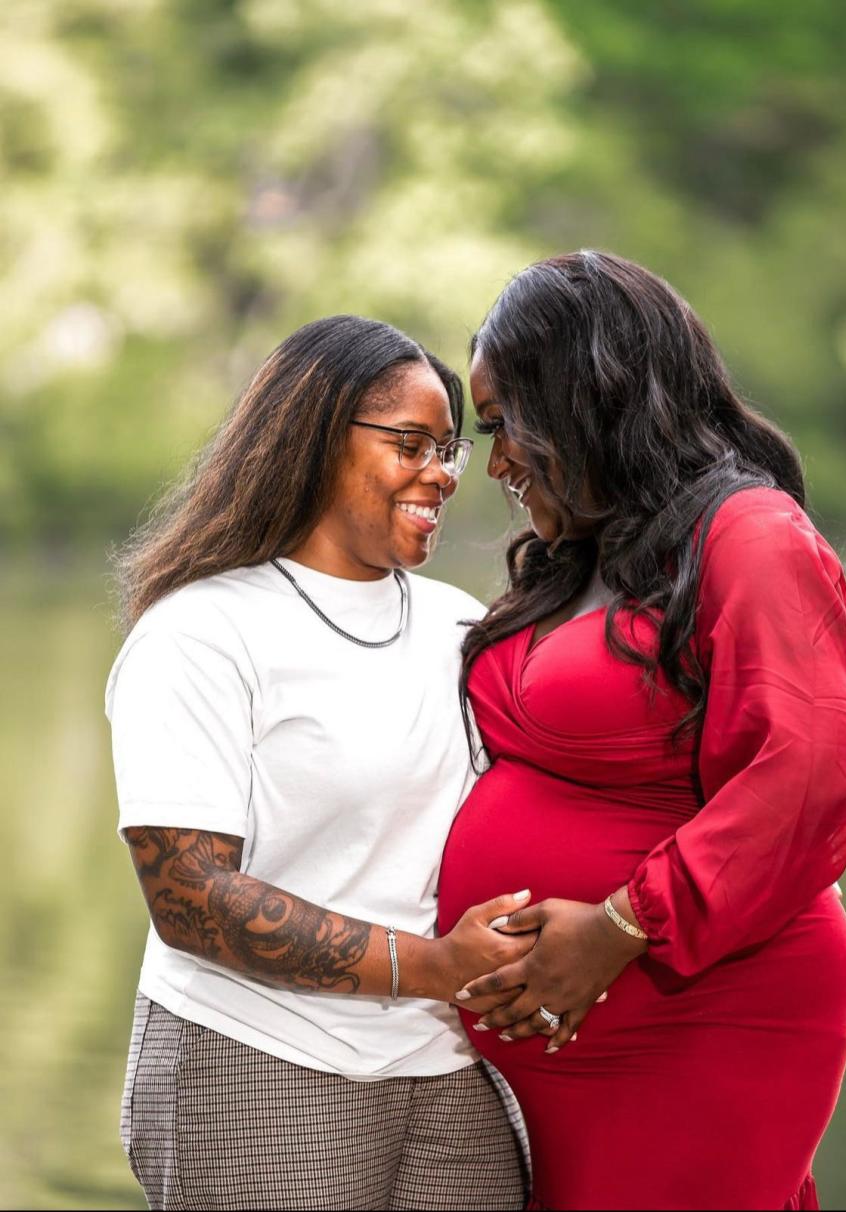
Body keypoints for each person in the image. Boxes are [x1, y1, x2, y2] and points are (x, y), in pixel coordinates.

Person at [437, 252, 846, 1211]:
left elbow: (805, 776)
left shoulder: (751, 535)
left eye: (506, 424)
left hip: (700, 1010)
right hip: (558, 1035)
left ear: (586, 399)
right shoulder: (579, 557)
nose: (496, 461)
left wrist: (622, 928)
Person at [106, 315, 531, 1212]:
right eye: (409, 444)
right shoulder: (200, 633)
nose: (443, 474)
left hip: (446, 1062)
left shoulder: (463, 626)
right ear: (310, 437)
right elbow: (191, 897)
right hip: (259, 1056)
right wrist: (434, 966)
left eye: (449, 447)